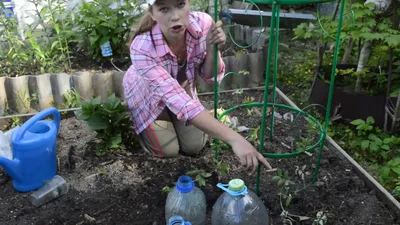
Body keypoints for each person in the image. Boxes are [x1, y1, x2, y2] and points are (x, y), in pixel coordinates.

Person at [122, 0, 272, 174]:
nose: (175, 16)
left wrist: (212, 48)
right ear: (152, 13)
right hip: (148, 97)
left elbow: (209, 75)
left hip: (181, 92)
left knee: (194, 146)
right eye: (164, 9)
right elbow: (175, 97)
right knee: (168, 151)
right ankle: (144, 130)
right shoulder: (142, 48)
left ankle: (173, 119)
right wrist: (235, 139)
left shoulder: (203, 24)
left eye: (180, 5)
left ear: (189, 3)